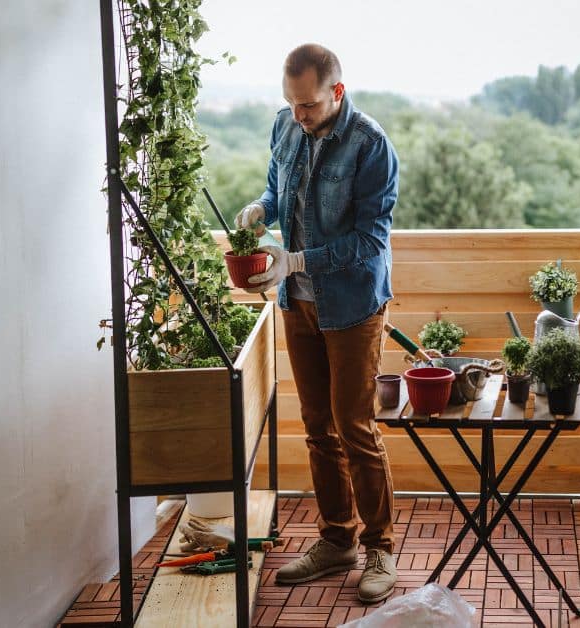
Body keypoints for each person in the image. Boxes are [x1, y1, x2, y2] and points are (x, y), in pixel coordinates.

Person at [234, 43, 399, 603]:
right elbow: (280, 196)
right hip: (297, 303)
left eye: (308, 105)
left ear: (337, 92)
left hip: (352, 305)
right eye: (291, 103)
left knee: (354, 425)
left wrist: (297, 260)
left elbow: (371, 240)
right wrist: (260, 210)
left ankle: (380, 547)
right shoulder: (285, 126)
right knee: (316, 425)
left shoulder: (371, 145)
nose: (299, 115)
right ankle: (337, 540)